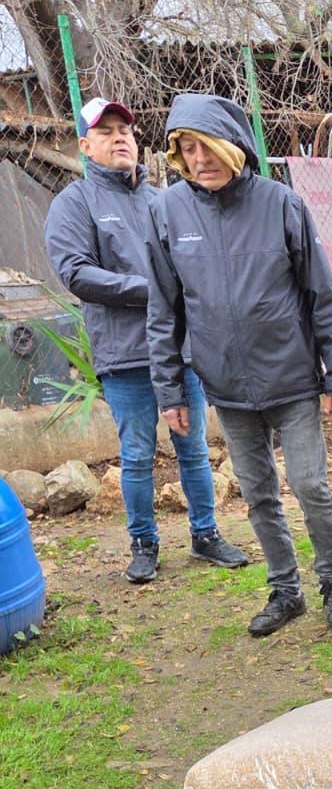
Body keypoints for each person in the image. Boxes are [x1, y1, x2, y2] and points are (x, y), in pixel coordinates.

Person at [144, 93, 332, 637]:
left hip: (291, 379)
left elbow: (321, 294)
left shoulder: (281, 204)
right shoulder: (168, 211)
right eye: (187, 149)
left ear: (234, 146)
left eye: (208, 146)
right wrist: (169, 391)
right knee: (258, 493)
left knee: (310, 486)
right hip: (227, 387)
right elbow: (164, 308)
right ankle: (286, 591)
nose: (200, 159)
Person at [43, 96, 248, 584]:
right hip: (126, 354)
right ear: (85, 145)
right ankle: (144, 544)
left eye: (127, 131)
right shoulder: (74, 204)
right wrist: (154, 292)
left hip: (180, 351)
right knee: (135, 453)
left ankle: (206, 535)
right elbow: (77, 273)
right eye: (107, 131)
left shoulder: (163, 199)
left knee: (193, 446)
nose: (120, 138)